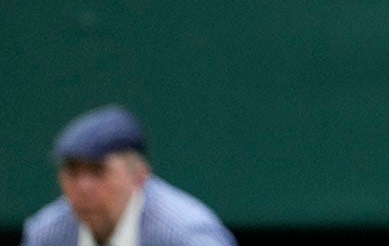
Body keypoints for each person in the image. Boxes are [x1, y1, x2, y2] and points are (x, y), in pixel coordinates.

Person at [21, 105, 237, 246]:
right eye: (72, 171)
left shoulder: (185, 236)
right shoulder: (46, 235)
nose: (83, 186)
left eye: (98, 170)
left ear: (140, 175)